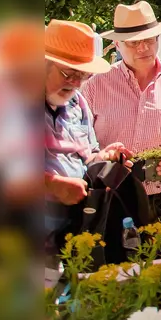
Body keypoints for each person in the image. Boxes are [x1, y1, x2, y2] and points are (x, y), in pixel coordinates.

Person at [84, 1, 161, 208]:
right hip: (111, 193)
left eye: (149, 39)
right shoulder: (96, 85)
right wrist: (104, 158)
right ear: (117, 45)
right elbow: (82, 144)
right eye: (133, 42)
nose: (143, 47)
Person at [42, 20, 128, 251]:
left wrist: (105, 157)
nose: (77, 83)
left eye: (84, 75)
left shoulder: (77, 103)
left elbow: (87, 156)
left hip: (74, 231)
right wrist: (52, 185)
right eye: (69, 74)